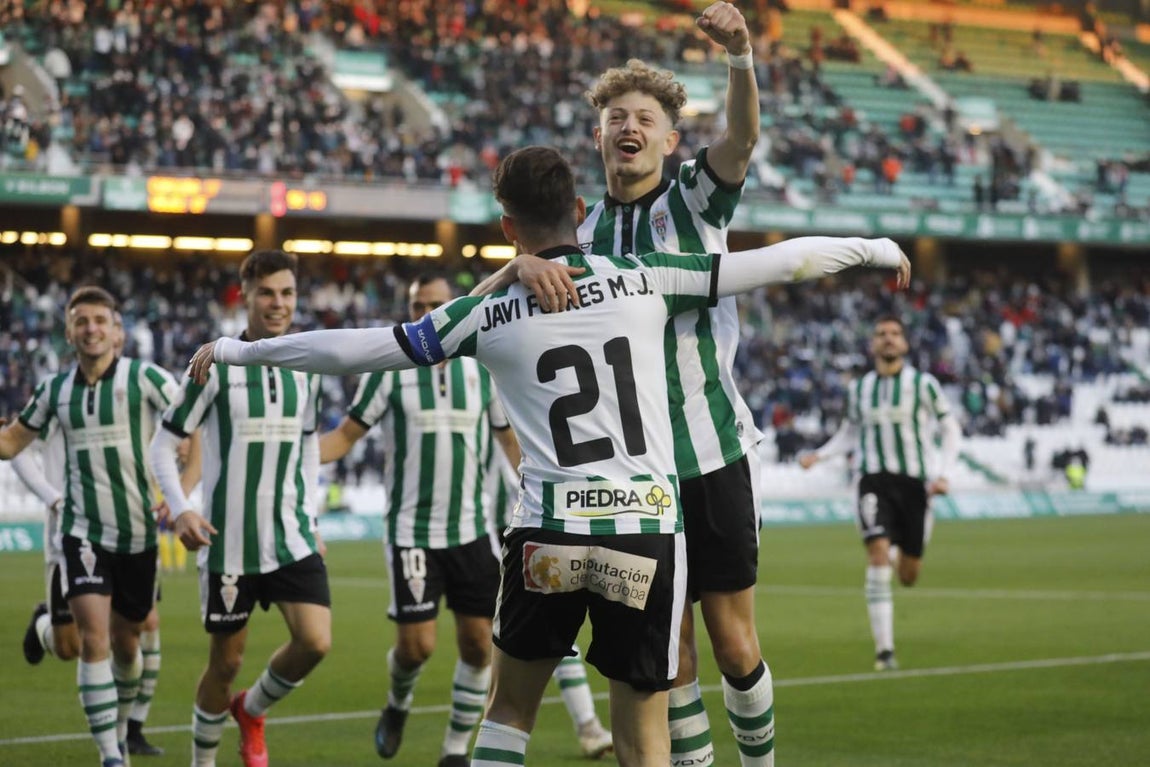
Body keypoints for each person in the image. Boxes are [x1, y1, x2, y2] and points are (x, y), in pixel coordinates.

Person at [183, 145, 909, 766]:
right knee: (642, 733)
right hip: (644, 532)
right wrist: (874, 248)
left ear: (507, 227)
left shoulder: (482, 314)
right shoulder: (646, 277)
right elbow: (783, 263)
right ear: (581, 208)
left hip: (548, 535)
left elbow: (356, 349)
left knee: (507, 714)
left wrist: (242, 348)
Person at [470, 5, 777, 764]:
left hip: (712, 451)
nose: (629, 125)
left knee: (735, 644)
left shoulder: (693, 201)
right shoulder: (582, 235)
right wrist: (516, 263)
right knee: (667, 653)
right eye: (616, 116)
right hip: (638, 477)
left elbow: (740, 140)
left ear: (671, 141)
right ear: (600, 136)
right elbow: (481, 311)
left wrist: (739, 56)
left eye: (645, 116)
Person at [319, 274, 610, 766]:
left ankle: (455, 751)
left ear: (450, 308)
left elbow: (509, 442)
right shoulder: (389, 370)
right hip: (410, 532)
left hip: (471, 531)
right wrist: (296, 456)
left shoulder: (481, 370)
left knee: (479, 648)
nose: (427, 313)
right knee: (416, 648)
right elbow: (345, 436)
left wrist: (562, 486)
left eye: (436, 304)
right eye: (419, 304)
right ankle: (398, 703)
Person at [149, 249, 329, 767]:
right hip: (229, 543)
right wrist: (181, 508)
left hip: (293, 535)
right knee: (224, 663)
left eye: (287, 293)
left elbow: (310, 441)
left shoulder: (309, 364)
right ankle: (203, 761)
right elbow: (163, 444)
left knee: (315, 643)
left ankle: (251, 710)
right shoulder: (215, 363)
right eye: (267, 293)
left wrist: (311, 514)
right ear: (245, 294)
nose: (278, 304)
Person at [0, 286, 179, 767]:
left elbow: (191, 422)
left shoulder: (147, 380)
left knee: (127, 641)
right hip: (79, 533)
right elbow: (12, 442)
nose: (92, 329)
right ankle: (110, 756)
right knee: (92, 640)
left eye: (101, 320)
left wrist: (180, 498)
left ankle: (121, 728)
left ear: (117, 332)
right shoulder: (54, 390)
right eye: (82, 321)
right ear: (69, 332)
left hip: (139, 535)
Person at [798, 316, 960, 671]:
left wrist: (945, 474)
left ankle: (899, 548)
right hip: (872, 481)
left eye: (895, 334)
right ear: (873, 345)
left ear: (904, 344)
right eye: (881, 334)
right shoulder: (859, 389)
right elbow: (849, 434)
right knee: (876, 555)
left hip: (914, 484)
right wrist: (820, 454)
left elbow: (950, 429)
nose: (888, 339)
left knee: (908, 575)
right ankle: (884, 651)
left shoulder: (923, 384)